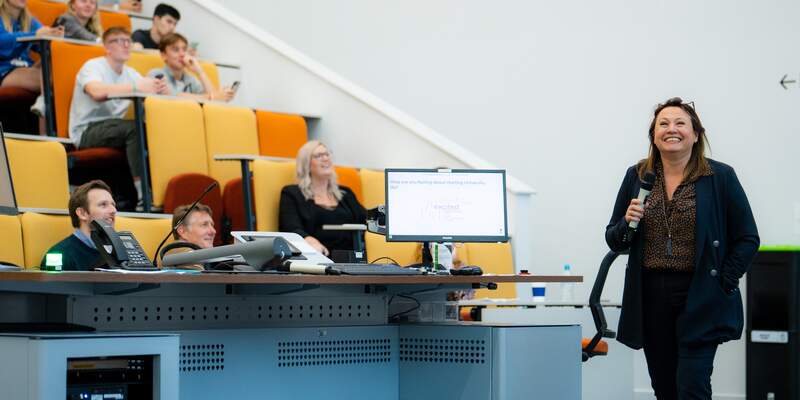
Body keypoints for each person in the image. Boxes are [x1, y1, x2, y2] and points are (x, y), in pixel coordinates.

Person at [605, 97, 759, 399]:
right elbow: (614, 239)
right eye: (663, 123)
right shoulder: (637, 176)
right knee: (664, 387)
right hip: (651, 296)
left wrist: (723, 281)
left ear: (696, 133)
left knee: (692, 386)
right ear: (654, 134)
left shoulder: (719, 177)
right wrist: (627, 221)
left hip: (701, 293)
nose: (671, 129)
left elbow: (748, 238)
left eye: (680, 123)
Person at [69, 26, 168, 202]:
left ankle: (159, 189)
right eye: (119, 41)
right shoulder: (93, 66)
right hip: (87, 130)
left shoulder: (130, 73)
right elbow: (96, 91)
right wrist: (138, 87)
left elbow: (147, 89)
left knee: (154, 129)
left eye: (128, 41)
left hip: (114, 128)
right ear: (107, 47)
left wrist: (159, 89)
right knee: (135, 129)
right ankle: (143, 194)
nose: (126, 45)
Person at [279, 140, 366, 258]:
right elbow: (291, 227)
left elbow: (367, 220)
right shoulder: (292, 193)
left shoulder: (346, 194)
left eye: (327, 154)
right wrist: (309, 240)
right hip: (317, 257)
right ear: (306, 164)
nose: (325, 159)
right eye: (318, 156)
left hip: (351, 257)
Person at [42, 180, 116, 271]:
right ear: (82, 213)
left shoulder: (120, 251)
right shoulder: (61, 256)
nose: (113, 210)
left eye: (113, 204)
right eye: (103, 205)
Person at [146, 33, 233, 101]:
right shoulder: (156, 74)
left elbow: (215, 101)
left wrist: (199, 72)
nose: (182, 54)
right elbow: (172, 95)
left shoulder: (190, 79)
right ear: (163, 55)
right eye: (176, 50)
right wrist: (211, 98)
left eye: (184, 49)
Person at [0, 0, 63, 92]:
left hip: (27, 66)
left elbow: (42, 48)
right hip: (5, 69)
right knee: (54, 78)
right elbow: (2, 43)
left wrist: (54, 39)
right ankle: (43, 103)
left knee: (57, 60)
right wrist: (34, 35)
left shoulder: (29, 20)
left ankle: (41, 102)